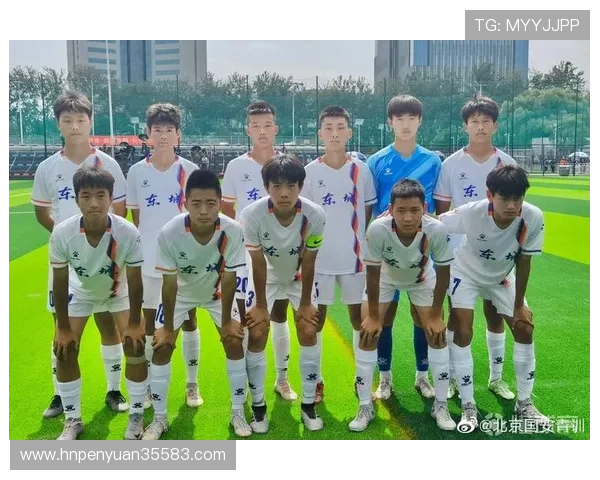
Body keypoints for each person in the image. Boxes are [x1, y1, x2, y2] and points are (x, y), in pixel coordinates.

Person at [32, 90, 129, 419]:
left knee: (108, 324)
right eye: (67, 120)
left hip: (105, 259)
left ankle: (113, 389)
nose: (74, 126)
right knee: (62, 328)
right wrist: (70, 241)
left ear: (90, 122)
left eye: (80, 120)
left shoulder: (108, 164)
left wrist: (97, 243)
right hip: (66, 262)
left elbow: (120, 212)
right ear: (58, 124)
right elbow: (42, 214)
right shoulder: (48, 167)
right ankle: (60, 395)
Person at [438, 165, 548, 432]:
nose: (511, 205)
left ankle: (524, 404)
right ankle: (468, 404)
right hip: (465, 273)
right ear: (490, 195)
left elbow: (524, 261)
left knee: (525, 327)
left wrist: (519, 305)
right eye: (504, 198)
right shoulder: (471, 212)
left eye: (517, 198)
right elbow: (435, 221)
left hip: (502, 275)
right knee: (463, 329)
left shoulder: (532, 217)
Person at [141, 170, 249, 439]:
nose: (203, 211)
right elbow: (168, 284)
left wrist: (227, 323)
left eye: (211, 204)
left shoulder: (233, 230)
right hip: (180, 294)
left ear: (220, 203)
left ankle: (237, 411)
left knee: (234, 342)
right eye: (196, 203)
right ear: (185, 203)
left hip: (217, 293)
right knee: (161, 347)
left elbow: (230, 278)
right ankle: (160, 418)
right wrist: (167, 328)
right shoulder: (170, 232)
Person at [50, 166, 146, 440]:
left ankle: (136, 415)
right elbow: (59, 282)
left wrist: (135, 323)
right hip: (80, 292)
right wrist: (63, 328)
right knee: (65, 349)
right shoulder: (62, 233)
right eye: (86, 196)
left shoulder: (127, 232)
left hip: (118, 293)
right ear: (76, 199)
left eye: (101, 195)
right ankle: (73, 420)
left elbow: (135, 281)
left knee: (136, 345)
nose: (94, 203)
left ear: (111, 198)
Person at [433, 95, 517, 401]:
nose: (480, 127)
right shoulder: (451, 164)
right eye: (474, 121)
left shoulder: (507, 163)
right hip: (460, 257)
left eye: (486, 121)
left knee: (495, 314)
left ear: (495, 125)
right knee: (457, 318)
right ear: (465, 126)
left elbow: (516, 210)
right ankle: (453, 377)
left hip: (498, 256)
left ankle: (496, 378)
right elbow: (442, 214)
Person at [241, 155, 326, 432]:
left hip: (298, 275)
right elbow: (257, 262)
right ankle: (258, 408)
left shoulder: (315, 215)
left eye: (291, 185)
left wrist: (306, 304)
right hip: (264, 276)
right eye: (276, 186)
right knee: (256, 332)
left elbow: (310, 260)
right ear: (266, 187)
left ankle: (308, 405)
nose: (284, 193)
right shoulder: (252, 215)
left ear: (300, 186)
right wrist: (261, 306)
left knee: (309, 330)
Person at [366, 94, 442, 400]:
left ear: (420, 121)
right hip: (388, 249)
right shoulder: (376, 161)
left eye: (411, 118)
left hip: (420, 249)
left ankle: (422, 377)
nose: (406, 124)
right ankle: (384, 379)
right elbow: (373, 207)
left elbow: (438, 208)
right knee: (383, 316)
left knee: (422, 316)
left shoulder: (433, 160)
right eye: (400, 118)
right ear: (390, 122)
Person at [363, 179, 455, 431]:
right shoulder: (378, 229)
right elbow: (372, 273)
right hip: (386, 278)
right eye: (401, 210)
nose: (407, 217)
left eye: (414, 210)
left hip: (421, 279)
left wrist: (435, 315)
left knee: (436, 333)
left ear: (424, 208)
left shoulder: (436, 229)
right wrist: (373, 316)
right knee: (368, 331)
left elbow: (444, 273)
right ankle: (379, 386)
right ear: (390, 209)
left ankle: (434, 394)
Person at [126, 103, 201, 410]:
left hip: (184, 262)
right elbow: (137, 218)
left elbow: (197, 217)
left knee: (189, 320)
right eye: (157, 130)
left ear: (178, 134)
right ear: (148, 134)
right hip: (148, 260)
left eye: (169, 130)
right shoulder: (136, 172)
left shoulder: (190, 171)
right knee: (149, 323)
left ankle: (192, 384)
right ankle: (145, 387)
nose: (163, 135)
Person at [221, 102, 296, 401]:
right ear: (247, 130)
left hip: (282, 255)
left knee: (279, 316)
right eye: (256, 126)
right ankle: (250, 387)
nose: (262, 131)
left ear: (276, 128)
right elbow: (227, 215)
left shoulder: (288, 165)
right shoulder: (236, 167)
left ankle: (282, 379)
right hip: (245, 259)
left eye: (267, 125)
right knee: (249, 320)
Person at [303, 106, 377, 405]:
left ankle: (362, 382)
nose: (334, 133)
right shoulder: (310, 171)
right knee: (315, 322)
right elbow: (305, 216)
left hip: (354, 259)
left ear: (349, 132)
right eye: (329, 128)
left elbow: (367, 209)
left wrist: (355, 239)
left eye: (340, 127)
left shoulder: (361, 170)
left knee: (360, 321)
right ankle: (316, 381)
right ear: (320, 134)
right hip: (319, 261)